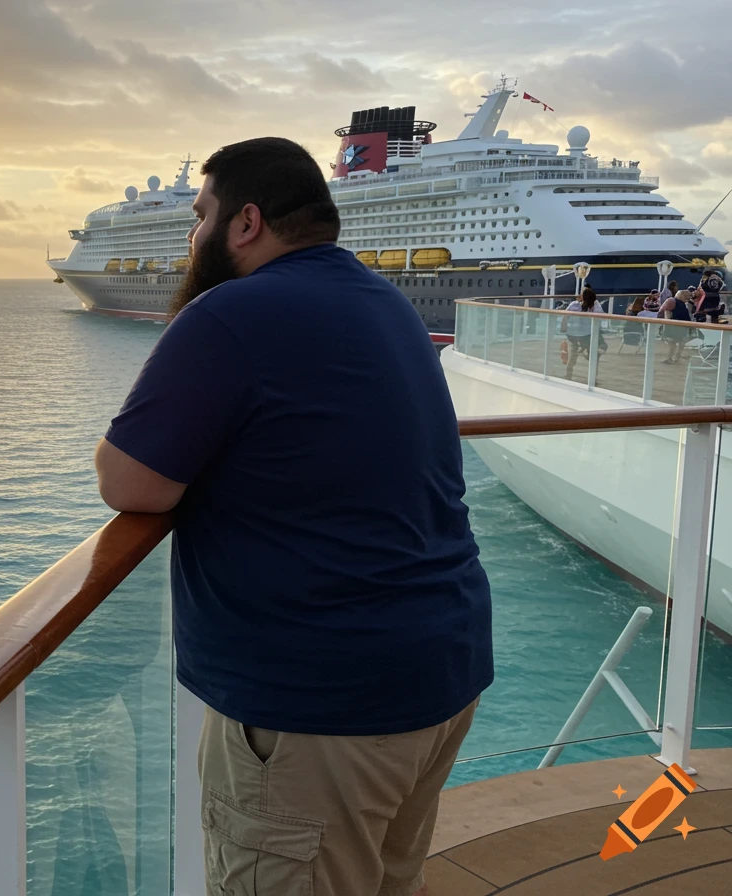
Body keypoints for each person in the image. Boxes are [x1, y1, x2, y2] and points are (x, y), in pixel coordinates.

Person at [94, 137, 493, 896]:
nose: (191, 238)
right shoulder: (386, 303)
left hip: (323, 708)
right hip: (440, 671)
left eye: (200, 215)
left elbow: (127, 482)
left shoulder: (230, 314)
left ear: (245, 224)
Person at [559, 287, 604, 378]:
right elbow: (600, 317)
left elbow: (565, 316)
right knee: (594, 355)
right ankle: (593, 376)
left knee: (573, 355)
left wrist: (563, 328)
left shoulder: (574, 304)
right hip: (587, 335)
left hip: (573, 334)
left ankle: (569, 374)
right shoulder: (595, 306)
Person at [660, 288, 694, 364]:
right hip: (676, 326)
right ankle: (673, 358)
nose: (688, 297)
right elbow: (667, 315)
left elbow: (667, 314)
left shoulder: (678, 303)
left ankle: (672, 358)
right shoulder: (674, 301)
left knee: (676, 343)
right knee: (676, 343)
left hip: (679, 326)